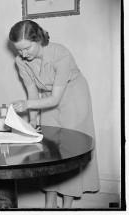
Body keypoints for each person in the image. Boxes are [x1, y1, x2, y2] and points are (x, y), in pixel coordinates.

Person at [9, 20, 100, 208]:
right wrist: (33, 120)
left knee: (71, 149)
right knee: (50, 148)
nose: (23, 54)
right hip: (45, 97)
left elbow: (56, 99)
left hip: (73, 95)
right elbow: (32, 92)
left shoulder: (61, 54)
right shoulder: (20, 61)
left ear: (38, 39)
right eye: (19, 50)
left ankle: (67, 205)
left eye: (27, 48)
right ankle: (50, 203)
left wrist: (27, 105)